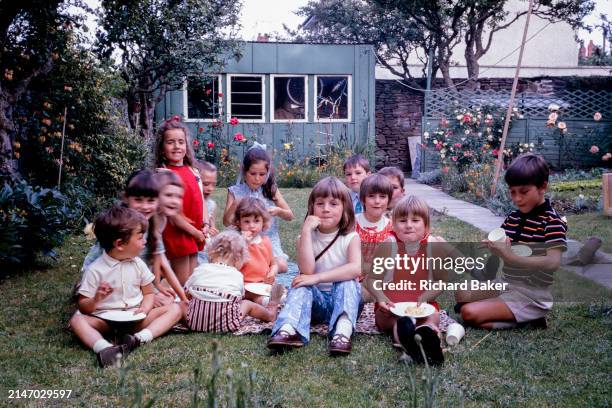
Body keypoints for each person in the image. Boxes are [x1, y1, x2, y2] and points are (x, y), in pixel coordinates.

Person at [456, 154, 567, 329]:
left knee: (468, 313)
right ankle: (504, 308)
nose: (517, 199)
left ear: (542, 187)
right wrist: (494, 248)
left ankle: (530, 320)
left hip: (530, 294)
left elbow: (553, 262)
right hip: (506, 284)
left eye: (523, 192)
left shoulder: (552, 222)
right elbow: (504, 247)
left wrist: (511, 257)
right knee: (461, 292)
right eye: (512, 192)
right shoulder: (513, 217)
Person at [70, 205, 182, 368]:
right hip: (105, 321)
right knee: (77, 321)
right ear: (120, 244)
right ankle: (105, 348)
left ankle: (138, 339)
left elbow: (148, 293)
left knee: (176, 309)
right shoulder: (95, 270)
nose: (144, 241)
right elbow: (84, 306)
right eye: (140, 237)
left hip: (135, 319)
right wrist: (96, 299)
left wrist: (145, 308)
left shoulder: (138, 264)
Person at [267, 177, 361, 355]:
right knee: (300, 283)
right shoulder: (305, 239)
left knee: (348, 282)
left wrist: (318, 278)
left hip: (345, 302)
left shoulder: (351, 238)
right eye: (320, 203)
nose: (326, 209)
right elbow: (307, 271)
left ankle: (342, 332)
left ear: (345, 209)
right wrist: (305, 231)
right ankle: (288, 329)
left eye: (333, 204)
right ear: (312, 208)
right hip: (316, 304)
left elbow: (355, 269)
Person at [367, 195, 447, 366]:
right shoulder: (387, 246)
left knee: (432, 318)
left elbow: (441, 282)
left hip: (423, 307)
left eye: (415, 220)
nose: (409, 225)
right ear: (394, 225)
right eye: (402, 220)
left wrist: (427, 296)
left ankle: (430, 341)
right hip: (391, 308)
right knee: (399, 323)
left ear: (426, 226)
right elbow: (372, 279)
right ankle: (409, 344)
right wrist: (381, 298)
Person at [79, 169, 181, 302]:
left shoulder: (152, 225)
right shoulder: (117, 226)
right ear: (126, 198)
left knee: (171, 298)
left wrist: (156, 288)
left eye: (151, 200)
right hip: (108, 284)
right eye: (138, 200)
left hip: (137, 281)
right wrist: (147, 295)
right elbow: (104, 270)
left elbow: (161, 265)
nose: (145, 207)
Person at [184, 230, 284, 332]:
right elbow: (239, 298)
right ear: (238, 259)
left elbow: (186, 292)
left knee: (183, 305)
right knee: (247, 303)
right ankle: (270, 314)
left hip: (194, 322)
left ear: (210, 252)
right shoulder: (237, 275)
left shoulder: (200, 269)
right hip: (228, 324)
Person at [223, 143, 294, 273]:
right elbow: (226, 222)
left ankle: (258, 267)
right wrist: (235, 205)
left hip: (268, 239)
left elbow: (290, 215)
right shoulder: (235, 191)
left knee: (282, 265)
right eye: (253, 173)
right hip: (243, 238)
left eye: (262, 174)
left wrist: (278, 211)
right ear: (244, 171)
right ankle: (255, 267)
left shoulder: (270, 190)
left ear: (267, 174)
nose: (257, 178)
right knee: (229, 260)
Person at [154, 117, 210, 284]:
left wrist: (206, 224)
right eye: (170, 142)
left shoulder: (193, 171)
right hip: (177, 232)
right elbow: (172, 214)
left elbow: (201, 199)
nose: (177, 146)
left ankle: (185, 304)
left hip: (195, 232)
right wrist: (195, 233)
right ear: (162, 148)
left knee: (191, 278)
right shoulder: (163, 173)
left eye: (181, 142)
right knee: (181, 280)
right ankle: (170, 299)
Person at [232, 197, 278, 305]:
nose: (251, 226)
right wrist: (244, 245)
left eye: (256, 221)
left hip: (262, 284)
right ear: (239, 223)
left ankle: (268, 300)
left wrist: (272, 273)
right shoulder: (237, 243)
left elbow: (273, 264)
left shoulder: (266, 241)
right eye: (246, 221)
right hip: (244, 285)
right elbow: (234, 267)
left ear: (263, 222)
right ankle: (264, 301)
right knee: (254, 295)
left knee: (275, 289)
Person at [355, 174, 393, 302]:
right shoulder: (352, 223)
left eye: (382, 197)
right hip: (357, 279)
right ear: (362, 199)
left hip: (382, 281)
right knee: (358, 293)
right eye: (371, 196)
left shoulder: (392, 227)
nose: (377, 201)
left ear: (389, 200)